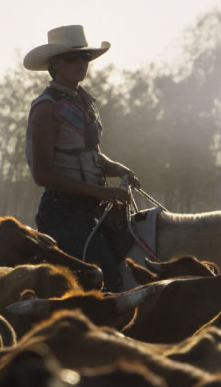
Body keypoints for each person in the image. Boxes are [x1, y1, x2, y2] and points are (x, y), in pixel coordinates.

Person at [24, 24, 140, 292]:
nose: (80, 63)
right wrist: (101, 192)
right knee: (104, 279)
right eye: (71, 58)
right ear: (55, 64)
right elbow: (42, 175)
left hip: (91, 206)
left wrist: (118, 169)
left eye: (84, 57)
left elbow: (92, 155)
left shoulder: (83, 102)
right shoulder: (45, 108)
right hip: (63, 210)